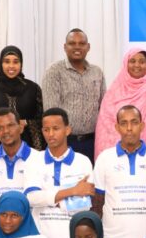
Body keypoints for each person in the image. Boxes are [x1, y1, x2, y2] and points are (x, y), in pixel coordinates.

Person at [90, 105, 146, 238]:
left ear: (142, 125)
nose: (129, 128)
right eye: (124, 123)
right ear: (117, 127)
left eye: (134, 122)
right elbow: (97, 203)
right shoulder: (105, 158)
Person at [24, 107, 94, 238]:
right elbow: (31, 198)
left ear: (67, 130)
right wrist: (73, 191)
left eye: (56, 128)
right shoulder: (34, 160)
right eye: (46, 129)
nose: (50, 134)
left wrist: (48, 199)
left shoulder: (83, 161)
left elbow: (84, 204)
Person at [41, 29, 106, 161]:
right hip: (64, 142)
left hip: (93, 141)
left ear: (88, 47)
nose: (77, 47)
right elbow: (51, 112)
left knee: (90, 180)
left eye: (82, 43)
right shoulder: (54, 71)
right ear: (65, 47)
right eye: (72, 43)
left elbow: (103, 107)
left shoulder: (97, 72)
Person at [0, 46, 44, 155]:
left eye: (16, 62)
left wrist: (26, 122)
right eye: (7, 62)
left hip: (28, 149)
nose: (11, 66)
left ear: (21, 64)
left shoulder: (33, 89)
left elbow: (42, 120)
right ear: (1, 64)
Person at [0, 107, 33, 217]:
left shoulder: (38, 158)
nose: (6, 131)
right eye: (0, 128)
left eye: (10, 125)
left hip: (28, 229)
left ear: (21, 127)